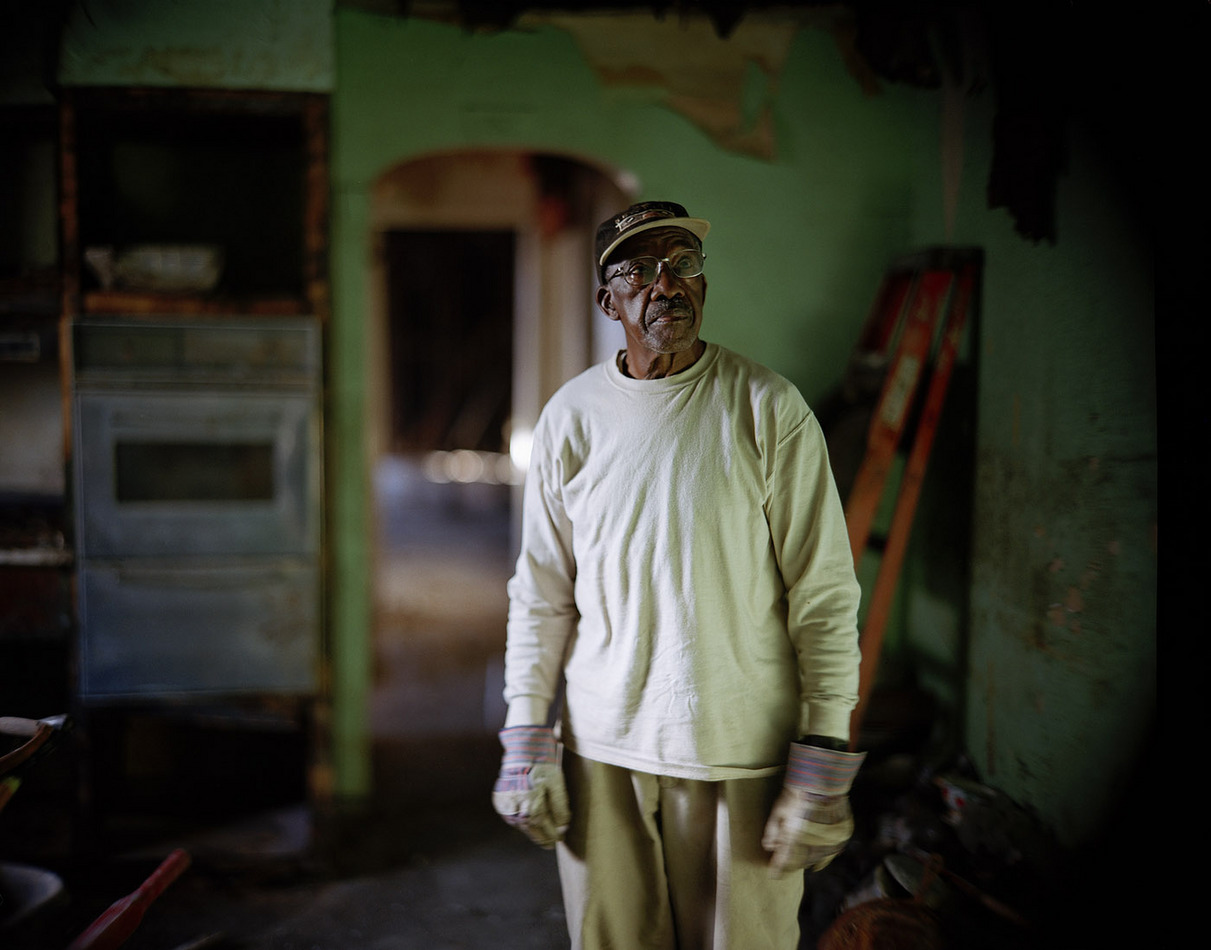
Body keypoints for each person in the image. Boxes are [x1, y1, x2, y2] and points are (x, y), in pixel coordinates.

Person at [492, 200, 866, 950]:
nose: (667, 286)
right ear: (608, 302)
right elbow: (541, 594)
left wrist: (823, 747)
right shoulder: (572, 417)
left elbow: (822, 593)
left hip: (740, 747)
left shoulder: (768, 408)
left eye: (683, 265)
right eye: (639, 272)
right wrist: (526, 733)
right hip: (603, 747)